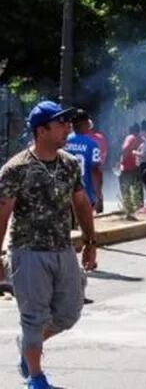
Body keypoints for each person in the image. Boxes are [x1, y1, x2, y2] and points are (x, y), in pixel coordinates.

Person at [0, 101, 97, 389]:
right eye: (61, 124)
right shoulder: (16, 169)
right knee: (34, 316)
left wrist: (90, 242)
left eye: (68, 123)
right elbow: (2, 215)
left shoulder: (68, 163)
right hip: (27, 252)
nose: (68, 128)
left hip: (62, 249)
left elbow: (81, 203)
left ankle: (28, 345)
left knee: (69, 312)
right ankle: (36, 377)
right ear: (41, 131)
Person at [64, 111, 103, 214]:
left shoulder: (63, 142)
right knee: (84, 227)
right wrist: (98, 195)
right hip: (84, 194)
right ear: (86, 124)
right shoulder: (92, 144)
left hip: (64, 193)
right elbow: (95, 171)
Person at [118, 123, 142, 207]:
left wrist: (121, 161)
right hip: (137, 167)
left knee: (125, 188)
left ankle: (127, 206)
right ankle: (139, 205)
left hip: (127, 167)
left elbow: (125, 149)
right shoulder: (141, 139)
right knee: (137, 188)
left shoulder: (130, 137)